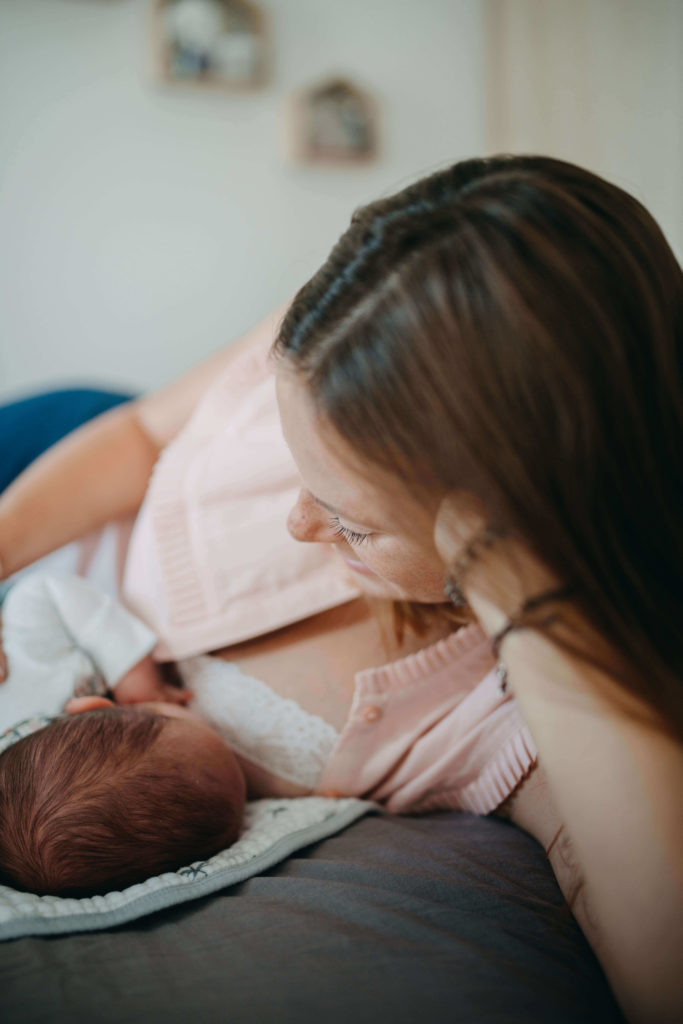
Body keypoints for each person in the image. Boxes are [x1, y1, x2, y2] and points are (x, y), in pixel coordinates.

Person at [270, 154, 683, 1023]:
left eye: (350, 524)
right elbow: (136, 430)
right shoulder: (357, 344)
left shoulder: (525, 708)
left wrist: (503, 559)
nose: (296, 527)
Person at [0, 571, 246, 897]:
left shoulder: (29, 668)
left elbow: (42, 588)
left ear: (92, 706)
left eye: (167, 713)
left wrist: (136, 678)